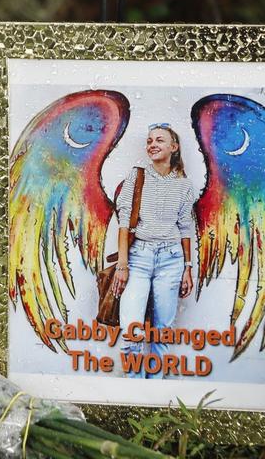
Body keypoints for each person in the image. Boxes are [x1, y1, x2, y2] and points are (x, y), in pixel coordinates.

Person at [110, 122, 197, 378]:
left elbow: (185, 229)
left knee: (163, 331)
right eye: (149, 141)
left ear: (174, 147)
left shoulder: (184, 185)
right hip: (138, 258)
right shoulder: (136, 177)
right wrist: (122, 266)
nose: (153, 145)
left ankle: (154, 392)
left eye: (159, 140)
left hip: (172, 259)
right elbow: (123, 223)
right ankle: (135, 389)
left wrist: (188, 269)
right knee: (131, 330)